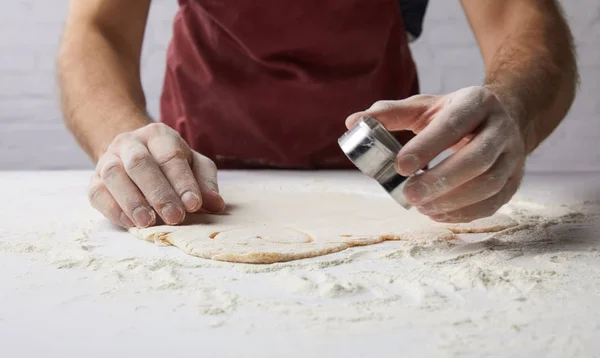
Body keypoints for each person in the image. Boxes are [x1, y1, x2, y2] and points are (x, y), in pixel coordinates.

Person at [57, 0, 577, 229]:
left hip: (385, 190)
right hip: (201, 187)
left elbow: (524, 22)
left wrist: (512, 105)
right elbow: (95, 31)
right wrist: (122, 140)